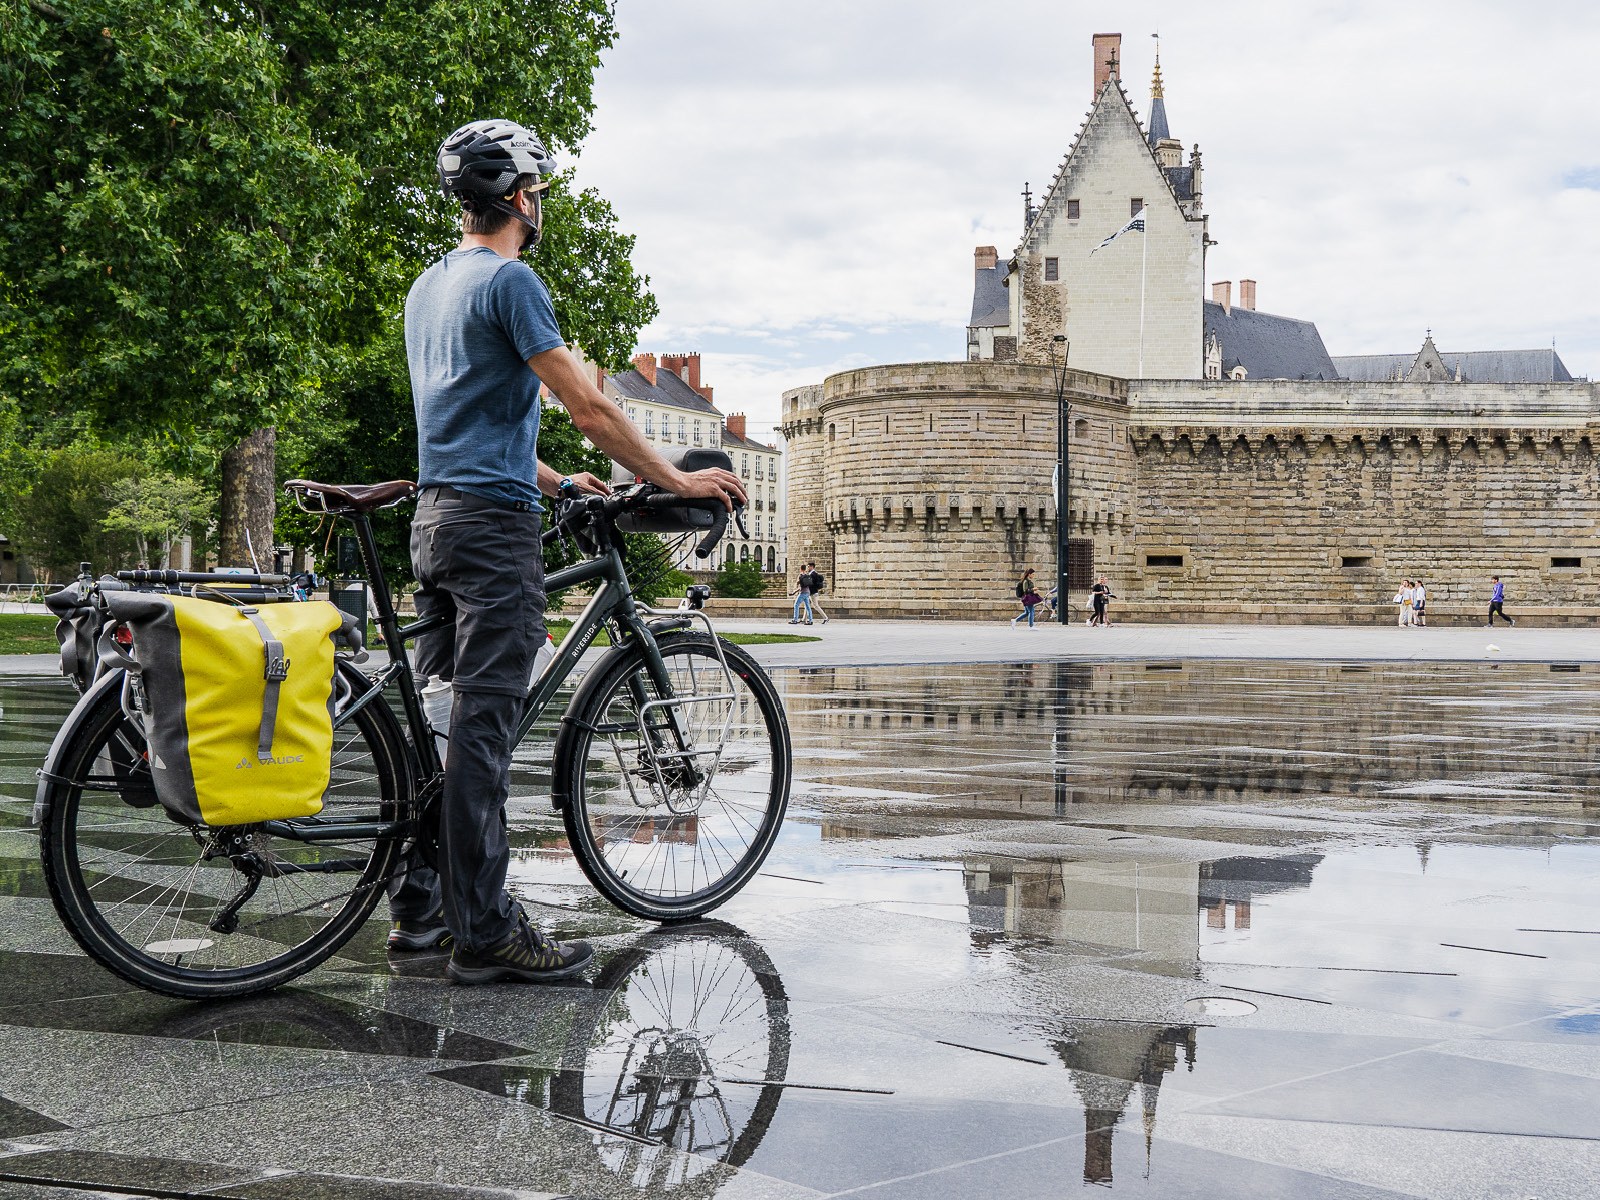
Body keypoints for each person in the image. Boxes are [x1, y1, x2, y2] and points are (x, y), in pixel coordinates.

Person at [387, 119, 745, 985]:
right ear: (518, 198)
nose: (540, 205)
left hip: (436, 521)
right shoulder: (512, 283)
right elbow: (590, 406)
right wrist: (676, 478)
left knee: (443, 723)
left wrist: (556, 482)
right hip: (490, 534)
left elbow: (464, 422)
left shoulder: (429, 287)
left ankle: (421, 905)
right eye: (537, 192)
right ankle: (487, 933)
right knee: (484, 732)